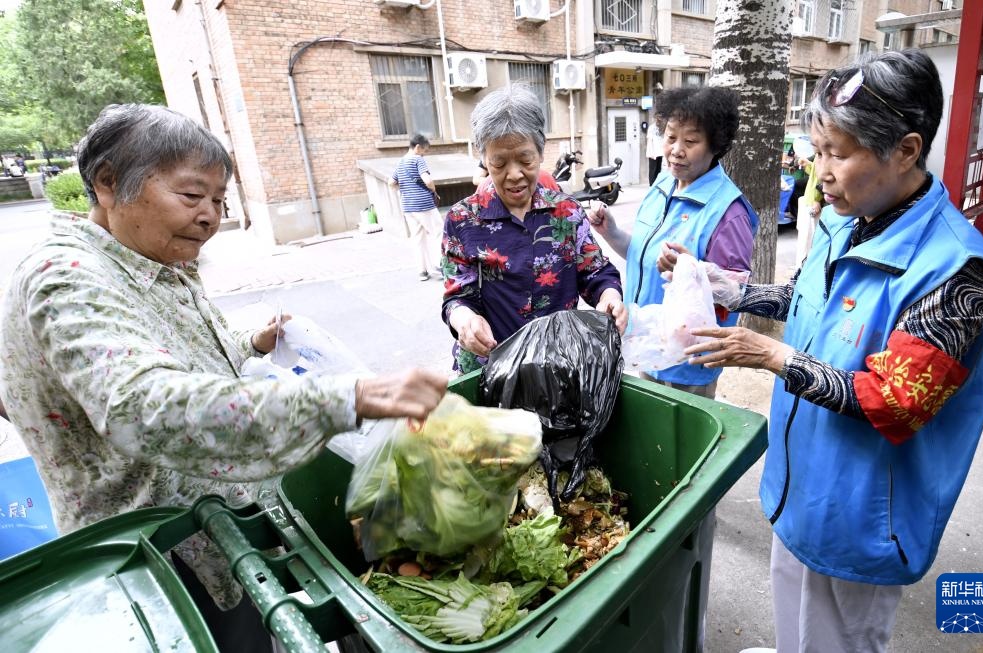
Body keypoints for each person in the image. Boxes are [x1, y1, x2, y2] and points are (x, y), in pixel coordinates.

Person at [0, 104, 448, 652]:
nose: (209, 217)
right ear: (109, 183)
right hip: (161, 563)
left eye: (219, 201)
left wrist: (250, 343)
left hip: (219, 535)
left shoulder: (152, 259)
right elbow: (142, 405)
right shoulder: (67, 277)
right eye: (192, 195)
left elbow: (182, 355)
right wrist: (349, 397)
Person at [683, 50, 983, 653]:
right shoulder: (846, 221)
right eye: (817, 151)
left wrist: (774, 358)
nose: (820, 173)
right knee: (796, 625)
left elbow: (896, 401)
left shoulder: (958, 273)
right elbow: (806, 298)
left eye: (837, 154)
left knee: (838, 640)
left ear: (905, 151)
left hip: (865, 514)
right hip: (801, 487)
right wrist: (727, 288)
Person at [442, 84, 627, 374]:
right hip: (491, 366)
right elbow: (457, 296)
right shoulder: (462, 219)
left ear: (540, 153)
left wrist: (609, 298)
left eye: (525, 160)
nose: (514, 174)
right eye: (499, 163)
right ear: (485, 160)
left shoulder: (567, 212)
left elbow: (595, 272)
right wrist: (464, 319)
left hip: (558, 365)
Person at [589, 85, 759, 399]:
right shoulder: (664, 183)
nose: (676, 150)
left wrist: (689, 270)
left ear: (716, 146)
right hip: (647, 346)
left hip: (686, 364)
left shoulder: (728, 213)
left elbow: (734, 296)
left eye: (691, 142)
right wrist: (610, 232)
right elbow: (642, 255)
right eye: (670, 137)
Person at [389, 133, 443, 281]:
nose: (424, 154)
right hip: (424, 204)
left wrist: (406, 190)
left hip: (408, 206)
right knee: (439, 232)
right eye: (424, 151)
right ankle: (438, 266)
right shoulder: (418, 159)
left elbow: (391, 182)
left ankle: (422, 271)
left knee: (418, 238)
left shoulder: (401, 162)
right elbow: (427, 180)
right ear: (418, 147)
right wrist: (433, 189)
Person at [473, 158, 560, 191]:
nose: (514, 176)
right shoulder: (485, 186)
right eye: (499, 164)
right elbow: (476, 179)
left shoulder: (545, 178)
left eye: (526, 161)